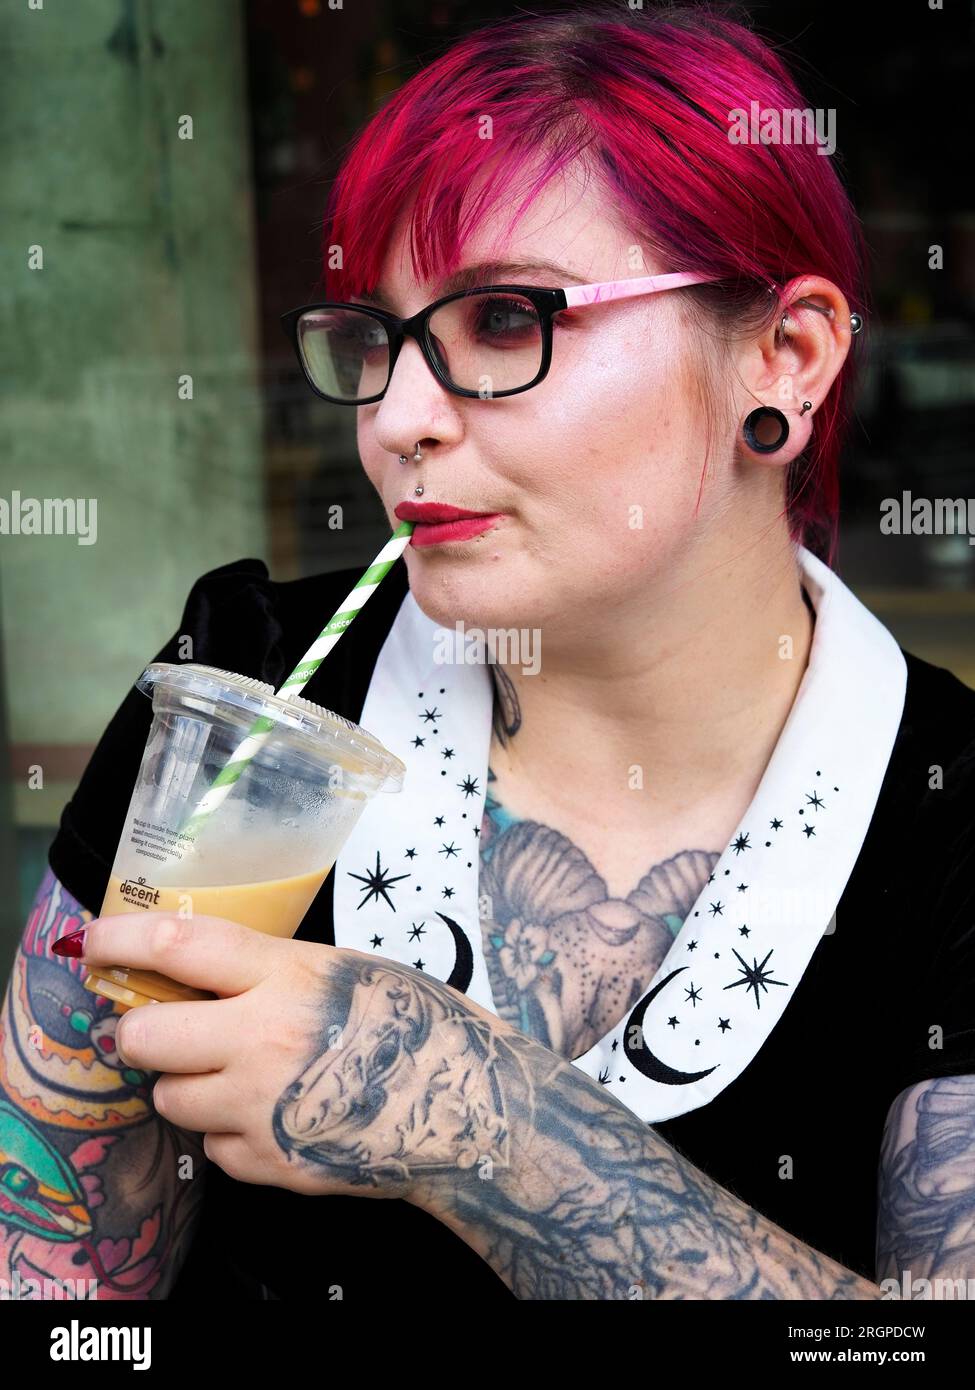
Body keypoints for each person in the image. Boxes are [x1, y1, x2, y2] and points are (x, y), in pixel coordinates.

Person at [3, 2, 974, 1302]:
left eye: (507, 321)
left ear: (785, 357)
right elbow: (58, 1277)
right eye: (377, 339)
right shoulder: (253, 682)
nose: (398, 419)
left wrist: (486, 1123)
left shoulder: (952, 828)